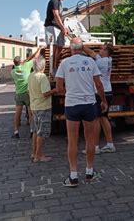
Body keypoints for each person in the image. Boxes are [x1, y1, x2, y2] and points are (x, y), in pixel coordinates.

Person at [56, 37, 108, 187]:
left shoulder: (64, 63)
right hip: (89, 104)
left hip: (72, 104)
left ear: (71, 48)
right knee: (90, 139)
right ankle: (89, 172)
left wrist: (70, 92)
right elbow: (98, 84)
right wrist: (103, 100)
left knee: (72, 140)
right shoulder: (91, 62)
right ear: (82, 47)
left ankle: (73, 176)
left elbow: (59, 88)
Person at [83, 43, 116, 154]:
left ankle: (95, 147)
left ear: (106, 51)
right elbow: (91, 53)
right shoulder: (108, 59)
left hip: (100, 93)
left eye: (102, 49)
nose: (99, 50)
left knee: (96, 119)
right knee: (104, 118)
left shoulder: (100, 62)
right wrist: (80, 45)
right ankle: (110, 144)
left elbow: (91, 59)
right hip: (108, 91)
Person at [28, 55, 57, 162]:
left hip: (34, 106)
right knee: (42, 133)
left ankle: (34, 152)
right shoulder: (42, 77)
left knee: (36, 131)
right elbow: (45, 93)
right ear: (43, 66)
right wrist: (55, 90)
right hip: (43, 107)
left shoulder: (31, 75)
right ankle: (39, 155)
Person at [11, 47, 41, 139]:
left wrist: (24, 61)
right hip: (28, 93)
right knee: (30, 112)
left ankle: (16, 132)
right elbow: (35, 57)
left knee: (17, 113)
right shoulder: (26, 67)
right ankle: (32, 131)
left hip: (18, 94)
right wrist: (39, 49)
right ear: (21, 62)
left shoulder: (13, 71)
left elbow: (25, 61)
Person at [44, 0, 69, 75]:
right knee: (54, 48)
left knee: (60, 47)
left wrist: (64, 27)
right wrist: (63, 28)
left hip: (57, 27)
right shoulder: (54, 1)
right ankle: (53, 69)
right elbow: (56, 16)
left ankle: (56, 67)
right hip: (52, 26)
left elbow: (60, 17)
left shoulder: (59, 3)